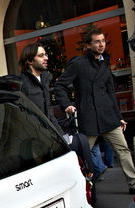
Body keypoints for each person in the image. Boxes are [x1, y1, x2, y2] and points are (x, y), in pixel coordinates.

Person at [53, 27, 135, 194]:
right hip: (89, 118)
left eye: (103, 41)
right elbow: (60, 85)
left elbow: (110, 94)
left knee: (123, 150)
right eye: (97, 41)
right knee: (82, 157)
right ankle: (80, 188)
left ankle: (134, 183)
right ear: (88, 45)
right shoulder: (78, 64)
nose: (101, 44)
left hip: (108, 117)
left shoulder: (105, 64)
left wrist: (119, 117)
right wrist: (67, 104)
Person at [18, 42, 95, 176]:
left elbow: (49, 112)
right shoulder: (22, 83)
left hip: (51, 136)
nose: (46, 58)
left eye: (46, 54)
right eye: (41, 55)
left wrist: (60, 135)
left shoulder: (45, 79)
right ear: (30, 60)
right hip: (35, 141)